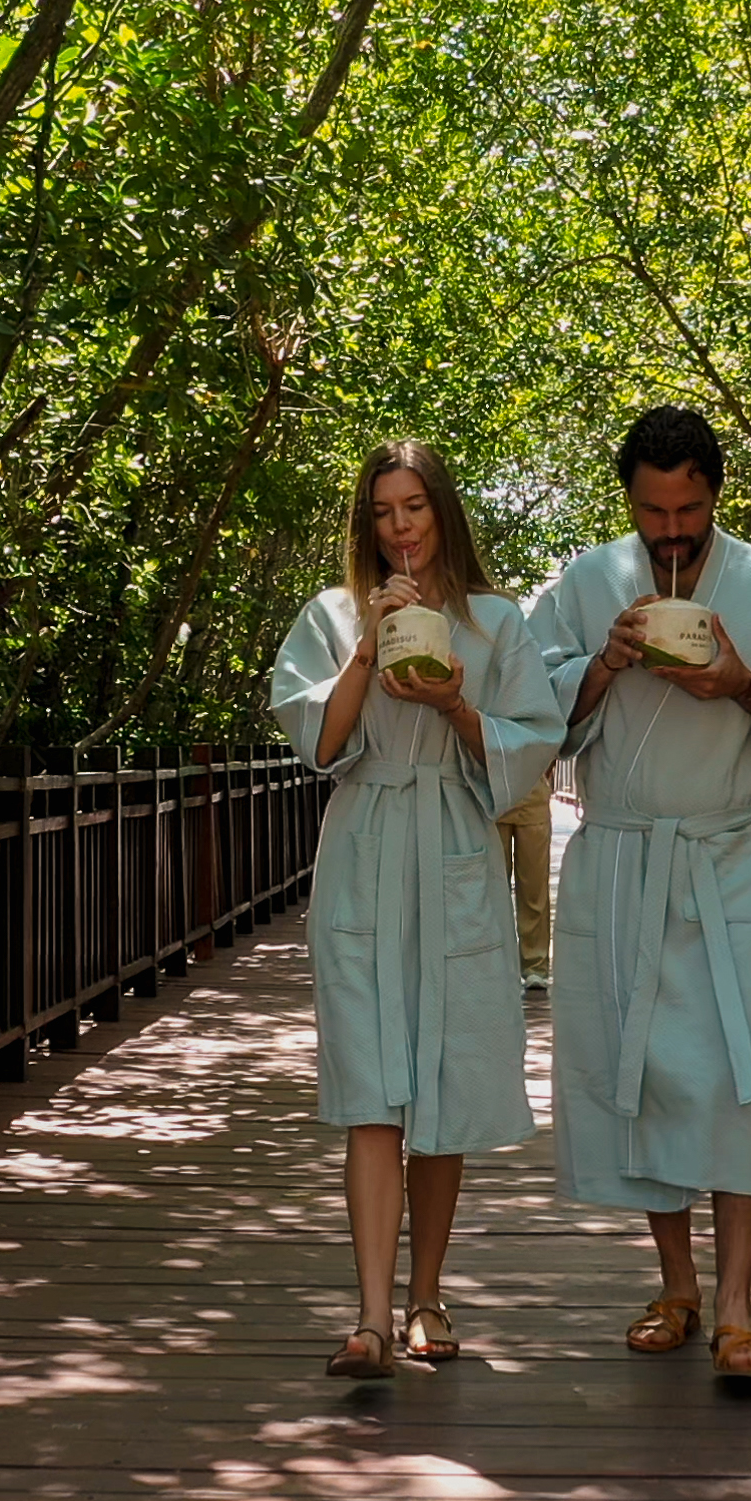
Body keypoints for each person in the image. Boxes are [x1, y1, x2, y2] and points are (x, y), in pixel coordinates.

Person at [530, 406, 751, 1378]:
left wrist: (744, 685)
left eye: (690, 510)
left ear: (717, 494)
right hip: (625, 860)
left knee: (729, 1076)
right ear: (628, 499)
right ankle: (675, 1285)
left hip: (731, 861)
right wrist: (602, 666)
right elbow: (525, 704)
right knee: (650, 1078)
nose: (671, 531)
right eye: (653, 511)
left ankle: (740, 1306)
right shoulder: (587, 582)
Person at [269, 442, 563, 1380]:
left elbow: (529, 757)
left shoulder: (494, 621)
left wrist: (454, 703)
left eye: (415, 508)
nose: (400, 527)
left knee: (442, 1082)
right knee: (371, 1088)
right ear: (367, 526)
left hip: (454, 847)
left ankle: (427, 1296)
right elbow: (316, 740)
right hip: (363, 848)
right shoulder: (329, 617)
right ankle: (368, 1318)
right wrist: (367, 648)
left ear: (444, 512)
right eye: (383, 512)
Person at [494, 766, 555, 990]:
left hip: (533, 796)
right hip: (496, 797)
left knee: (534, 888)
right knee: (495, 889)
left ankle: (535, 966)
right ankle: (497, 960)